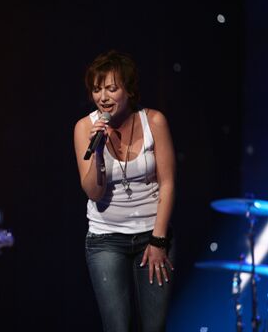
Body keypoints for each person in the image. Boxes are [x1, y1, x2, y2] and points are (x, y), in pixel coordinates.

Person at [73, 50, 176, 332]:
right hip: (106, 238)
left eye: (111, 88)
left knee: (154, 326)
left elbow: (168, 183)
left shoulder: (154, 121)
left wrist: (158, 241)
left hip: (152, 235)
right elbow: (93, 193)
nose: (103, 97)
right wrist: (98, 153)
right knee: (117, 327)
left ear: (128, 90)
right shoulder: (85, 128)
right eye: (97, 90)